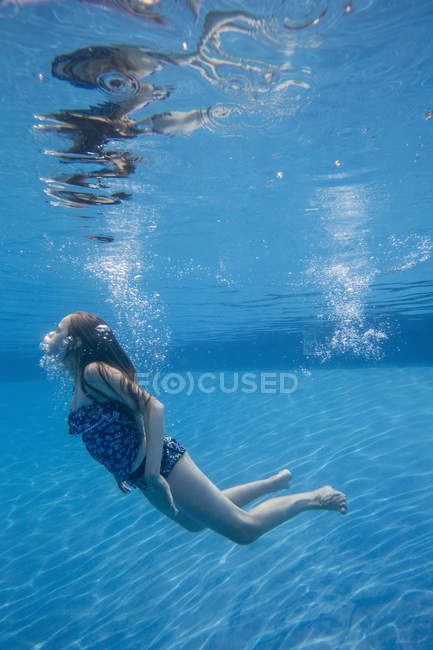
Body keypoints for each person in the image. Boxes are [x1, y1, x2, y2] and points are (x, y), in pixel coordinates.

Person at [42, 311, 347, 545]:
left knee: (244, 530)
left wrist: (152, 474)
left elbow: (152, 407)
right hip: (139, 475)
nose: (50, 334)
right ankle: (274, 483)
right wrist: (119, 473)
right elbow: (119, 422)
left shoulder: (94, 372)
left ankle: (314, 497)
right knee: (194, 524)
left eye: (58, 329)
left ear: (76, 341)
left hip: (159, 465)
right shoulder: (79, 381)